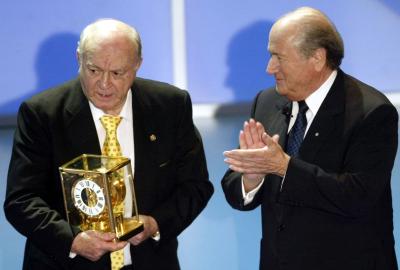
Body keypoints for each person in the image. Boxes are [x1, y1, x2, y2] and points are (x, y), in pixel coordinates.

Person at [4, 18, 213, 270]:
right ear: (79, 59)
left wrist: (156, 223)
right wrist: (74, 240)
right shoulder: (42, 114)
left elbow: (195, 185)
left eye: (117, 73)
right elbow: (22, 200)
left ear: (137, 65)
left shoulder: (170, 106)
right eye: (93, 70)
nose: (104, 83)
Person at [222, 7, 398, 270]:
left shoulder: (371, 112)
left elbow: (358, 195)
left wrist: (284, 167)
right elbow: (236, 186)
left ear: (317, 58)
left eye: (278, 57)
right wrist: (251, 178)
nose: (269, 68)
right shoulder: (267, 101)